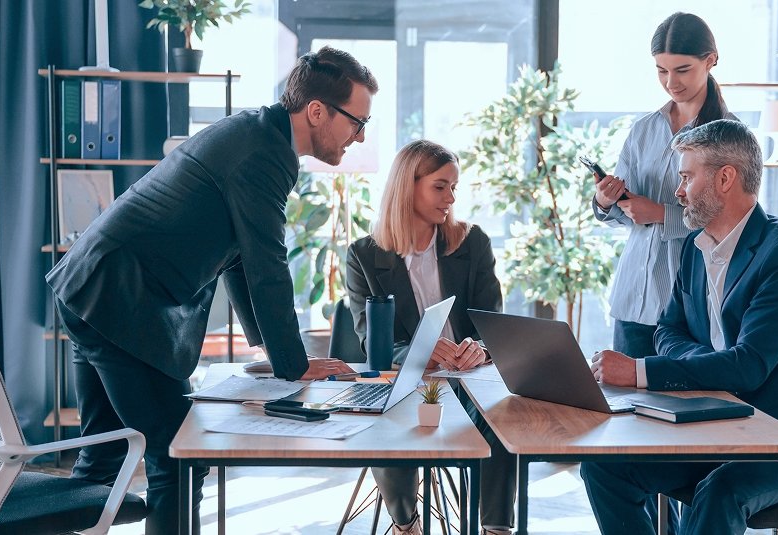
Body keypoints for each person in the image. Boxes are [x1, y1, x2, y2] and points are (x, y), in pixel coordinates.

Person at [46, 46, 376, 535]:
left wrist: (272, 350)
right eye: (357, 121)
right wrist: (294, 364)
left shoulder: (259, 135)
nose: (360, 135)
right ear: (317, 111)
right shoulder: (263, 153)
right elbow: (267, 263)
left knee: (105, 456)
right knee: (178, 452)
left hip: (93, 286)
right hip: (119, 298)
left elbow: (241, 259)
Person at [581, 119, 778, 535]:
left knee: (721, 489)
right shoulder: (696, 249)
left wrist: (642, 371)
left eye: (687, 177)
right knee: (607, 466)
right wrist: (714, 363)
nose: (678, 191)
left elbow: (748, 367)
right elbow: (667, 331)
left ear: (725, 178)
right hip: (725, 429)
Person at [589, 12, 736, 531]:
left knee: (682, 435)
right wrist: (605, 200)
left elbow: (731, 214)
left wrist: (663, 215)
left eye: (682, 70)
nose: (671, 82)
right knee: (626, 430)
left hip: (691, 302)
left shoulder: (727, 135)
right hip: (635, 296)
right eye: (661, 71)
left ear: (710, 62)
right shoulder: (645, 128)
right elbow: (618, 215)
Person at [344, 140, 513, 535]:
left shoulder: (472, 242)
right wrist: (419, 351)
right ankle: (407, 527)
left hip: (468, 379)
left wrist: (481, 349)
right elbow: (373, 343)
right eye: (440, 187)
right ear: (409, 186)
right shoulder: (364, 255)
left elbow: (493, 323)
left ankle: (496, 530)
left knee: (503, 420)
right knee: (385, 422)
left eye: (454, 187)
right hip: (408, 382)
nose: (451, 198)